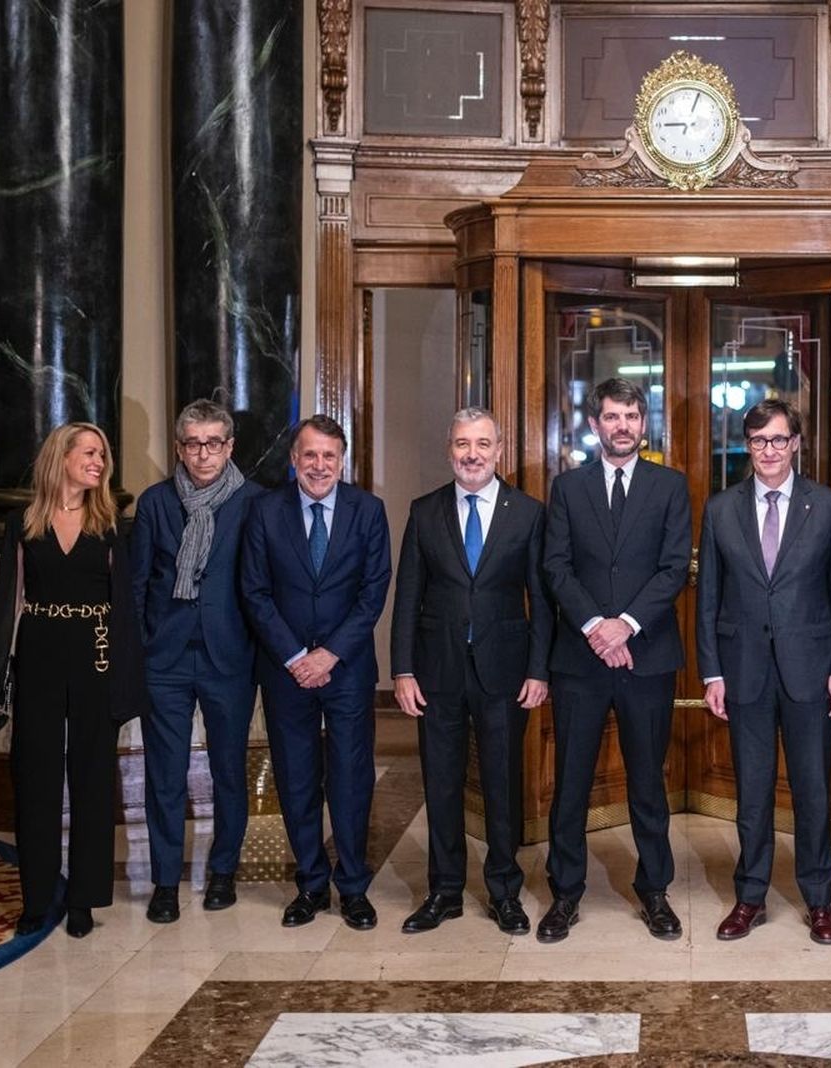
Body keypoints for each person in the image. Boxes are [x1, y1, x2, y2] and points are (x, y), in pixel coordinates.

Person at [0, 422, 147, 938]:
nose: (99, 462)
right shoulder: (22, 522)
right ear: (62, 456)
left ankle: (84, 900)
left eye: (103, 455)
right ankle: (37, 897)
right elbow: (7, 600)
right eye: (90, 452)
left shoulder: (112, 525)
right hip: (40, 653)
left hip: (95, 654)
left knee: (93, 778)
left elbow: (124, 610)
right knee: (36, 777)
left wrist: (126, 681)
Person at [696, 398, 831, 945]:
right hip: (743, 672)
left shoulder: (828, 507)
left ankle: (819, 900)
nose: (770, 450)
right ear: (749, 445)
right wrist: (711, 673)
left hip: (810, 671)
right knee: (753, 792)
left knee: (813, 790)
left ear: (796, 444)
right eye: (760, 440)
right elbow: (709, 600)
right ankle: (750, 897)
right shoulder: (721, 510)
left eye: (780, 440)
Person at [540, 378, 691, 943]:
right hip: (579, 660)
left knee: (647, 782)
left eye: (631, 415)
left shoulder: (670, 486)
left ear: (643, 423)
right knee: (572, 783)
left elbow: (674, 567)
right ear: (595, 423)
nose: (622, 425)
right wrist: (594, 628)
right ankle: (565, 894)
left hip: (645, 657)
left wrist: (624, 626)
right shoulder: (568, 487)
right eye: (611, 416)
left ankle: (654, 890)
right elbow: (556, 567)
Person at [391, 408, 552, 936]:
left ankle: (504, 891)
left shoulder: (527, 513)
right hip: (437, 674)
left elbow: (541, 600)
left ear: (500, 450)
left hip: (505, 672)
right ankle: (444, 890)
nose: (472, 454)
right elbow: (408, 596)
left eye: (483, 443)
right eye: (463, 443)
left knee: (503, 784)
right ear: (449, 449)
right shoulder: (425, 510)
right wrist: (403, 671)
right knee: (441, 784)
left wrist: (538, 670)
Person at [240, 414, 391, 930]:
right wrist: (294, 657)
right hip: (285, 672)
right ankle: (310, 884)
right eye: (310, 455)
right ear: (294, 460)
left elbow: (373, 594)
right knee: (297, 777)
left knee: (351, 779)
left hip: (346, 670)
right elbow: (254, 593)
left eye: (329, 456)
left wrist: (329, 655)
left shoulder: (368, 511)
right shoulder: (265, 511)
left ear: (342, 460)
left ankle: (352, 886)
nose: (319, 465)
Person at [130, 400, 264, 923]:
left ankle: (223, 872)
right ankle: (165, 880)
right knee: (165, 772)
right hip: (165, 657)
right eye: (192, 443)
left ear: (229, 447)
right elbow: (139, 584)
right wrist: (144, 645)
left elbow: (261, 587)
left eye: (213, 443)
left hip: (228, 656)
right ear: (179, 448)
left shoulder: (256, 503)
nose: (203, 453)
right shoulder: (156, 503)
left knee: (228, 769)